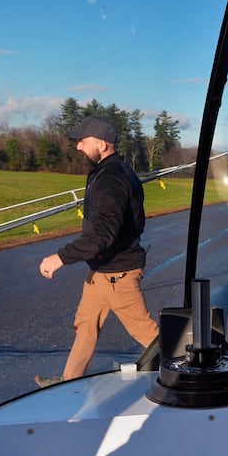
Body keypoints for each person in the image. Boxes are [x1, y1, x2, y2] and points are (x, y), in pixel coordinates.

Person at [36, 115, 160, 384]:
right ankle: (68, 382)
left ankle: (192, 374)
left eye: (82, 141)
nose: (78, 147)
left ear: (102, 144)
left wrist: (60, 257)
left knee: (146, 333)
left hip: (118, 272)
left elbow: (103, 234)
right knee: (86, 325)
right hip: (102, 269)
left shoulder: (111, 180)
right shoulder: (110, 172)